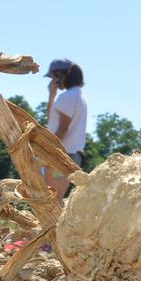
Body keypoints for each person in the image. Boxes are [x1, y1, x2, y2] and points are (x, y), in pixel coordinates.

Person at [44, 58, 88, 199]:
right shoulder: (77, 95)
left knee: (51, 200)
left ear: (61, 76)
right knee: (53, 199)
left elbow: (63, 128)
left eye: (54, 77)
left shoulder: (68, 97)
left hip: (61, 154)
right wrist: (52, 96)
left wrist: (47, 150)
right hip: (70, 154)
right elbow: (52, 120)